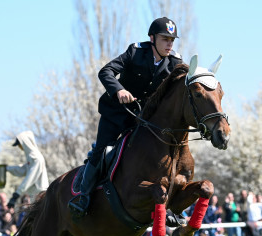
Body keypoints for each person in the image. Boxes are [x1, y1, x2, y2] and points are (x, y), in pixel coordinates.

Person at [68, 17, 183, 218]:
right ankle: (83, 197)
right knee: (102, 151)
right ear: (152, 38)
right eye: (165, 39)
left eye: (172, 40)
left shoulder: (174, 62)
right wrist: (119, 90)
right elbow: (106, 72)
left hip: (143, 119)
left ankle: (170, 205)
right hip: (116, 114)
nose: (169, 44)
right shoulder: (136, 52)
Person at [5, 130, 49, 210]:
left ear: (25, 143)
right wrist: (7, 168)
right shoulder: (31, 157)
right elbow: (23, 169)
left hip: (40, 193)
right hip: (34, 194)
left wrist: (16, 195)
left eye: (20, 144)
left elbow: (30, 177)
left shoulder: (36, 158)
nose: (19, 147)